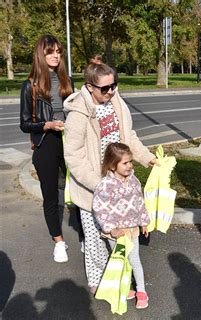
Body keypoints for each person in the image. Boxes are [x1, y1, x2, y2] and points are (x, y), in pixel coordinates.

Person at [63, 62, 158, 294]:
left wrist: (148, 158)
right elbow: (74, 156)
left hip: (121, 185)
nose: (110, 92)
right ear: (89, 87)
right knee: (96, 241)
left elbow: (129, 137)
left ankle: (119, 282)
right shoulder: (78, 114)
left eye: (113, 85)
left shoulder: (117, 103)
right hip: (94, 189)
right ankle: (100, 284)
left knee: (120, 240)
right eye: (104, 88)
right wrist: (100, 185)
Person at [20, 35, 74, 263]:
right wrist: (47, 124)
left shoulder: (67, 79)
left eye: (58, 52)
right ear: (41, 55)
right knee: (50, 195)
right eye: (50, 52)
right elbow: (24, 124)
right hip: (46, 143)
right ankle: (58, 241)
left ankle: (86, 238)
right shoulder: (30, 85)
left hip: (69, 140)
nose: (55, 56)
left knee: (79, 190)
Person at [93, 142, 150, 309]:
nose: (130, 166)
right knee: (120, 261)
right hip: (116, 233)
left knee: (134, 260)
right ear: (112, 165)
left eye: (130, 161)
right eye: (125, 163)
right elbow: (100, 209)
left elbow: (140, 201)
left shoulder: (134, 181)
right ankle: (124, 288)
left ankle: (141, 291)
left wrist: (144, 221)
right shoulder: (105, 186)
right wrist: (111, 228)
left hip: (132, 231)